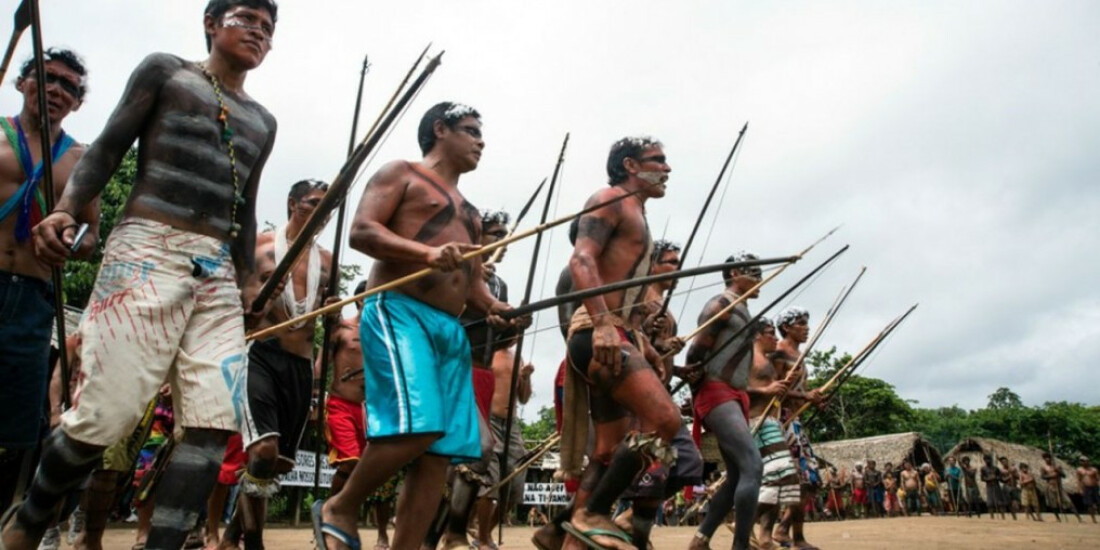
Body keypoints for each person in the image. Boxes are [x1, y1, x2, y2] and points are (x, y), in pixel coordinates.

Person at [4, 2, 279, 548]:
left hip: (218, 272)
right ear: (211, 23)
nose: (258, 31)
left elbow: (244, 209)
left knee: (212, 422)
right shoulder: (166, 71)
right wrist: (64, 210)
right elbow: (106, 148)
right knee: (104, 420)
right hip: (146, 248)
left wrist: (248, 280)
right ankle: (30, 520)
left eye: (268, 28)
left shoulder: (263, 121)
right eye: (246, 17)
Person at [315, 101, 522, 550]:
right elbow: (362, 232)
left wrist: (493, 307)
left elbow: (469, 280)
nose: (480, 141)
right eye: (470, 130)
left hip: (450, 331)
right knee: (421, 425)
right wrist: (425, 254)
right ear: (440, 129)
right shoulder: (402, 173)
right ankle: (341, 506)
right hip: (401, 311)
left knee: (439, 452)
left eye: (480, 133)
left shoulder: (469, 211)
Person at [557, 136, 684, 550]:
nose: (667, 168)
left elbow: (625, 294)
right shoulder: (610, 198)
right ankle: (593, 513)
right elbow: (581, 260)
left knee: (609, 450)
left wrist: (641, 341)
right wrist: (604, 324)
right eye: (657, 160)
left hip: (616, 332)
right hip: (597, 334)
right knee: (665, 421)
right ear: (630, 164)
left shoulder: (639, 215)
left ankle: (562, 531)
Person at [0, 47, 94, 510]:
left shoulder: (80, 160)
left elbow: (92, 233)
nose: (57, 90)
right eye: (47, 77)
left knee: (16, 426)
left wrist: (69, 242)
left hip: (35, 298)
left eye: (70, 87)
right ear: (23, 82)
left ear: (78, 102)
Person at [222, 178, 335, 549]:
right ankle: (254, 541)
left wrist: (319, 382)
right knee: (264, 450)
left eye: (327, 207)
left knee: (279, 463)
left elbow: (325, 325)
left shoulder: (327, 262)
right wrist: (265, 294)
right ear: (292, 203)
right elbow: (242, 310)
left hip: (301, 366)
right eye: (313, 204)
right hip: (261, 356)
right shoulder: (261, 248)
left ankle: (229, 538)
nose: (320, 213)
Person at [434, 209, 524, 550]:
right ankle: (454, 533)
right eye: (494, 234)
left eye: (504, 235)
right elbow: (441, 313)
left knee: (461, 458)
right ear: (476, 236)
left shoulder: (499, 283)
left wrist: (514, 326)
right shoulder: (454, 266)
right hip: (454, 367)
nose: (501, 241)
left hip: (483, 373)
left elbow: (497, 340)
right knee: (478, 450)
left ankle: (440, 535)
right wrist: (469, 281)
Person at [612, 239, 701, 550]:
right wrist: (652, 335)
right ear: (651, 264)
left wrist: (677, 369)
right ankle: (634, 534)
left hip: (661, 399)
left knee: (687, 464)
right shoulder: (638, 301)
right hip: (642, 401)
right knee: (653, 469)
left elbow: (657, 357)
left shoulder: (661, 305)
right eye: (670, 262)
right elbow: (629, 344)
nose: (676, 268)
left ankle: (627, 525)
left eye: (678, 262)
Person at [685, 252, 766, 550]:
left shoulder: (741, 309)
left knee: (735, 477)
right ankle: (741, 546)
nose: (760, 279)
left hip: (734, 395)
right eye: (753, 273)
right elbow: (695, 354)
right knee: (752, 466)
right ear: (734, 274)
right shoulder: (720, 304)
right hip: (717, 392)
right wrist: (696, 388)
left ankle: (701, 539)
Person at [323, 281, 401, 550]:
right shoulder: (341, 329)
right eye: (372, 298)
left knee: (382, 473)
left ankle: (380, 534)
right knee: (349, 463)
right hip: (341, 404)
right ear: (359, 301)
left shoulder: (387, 334)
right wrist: (312, 395)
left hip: (374, 409)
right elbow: (322, 365)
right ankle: (331, 518)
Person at [747, 319, 797, 547]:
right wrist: (766, 389)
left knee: (782, 483)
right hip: (757, 421)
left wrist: (783, 387)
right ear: (757, 335)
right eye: (770, 334)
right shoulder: (747, 358)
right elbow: (733, 387)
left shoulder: (766, 362)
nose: (776, 339)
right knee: (782, 475)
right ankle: (745, 525)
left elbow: (775, 394)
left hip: (773, 421)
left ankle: (766, 536)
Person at [1039, 451, 1079, 522]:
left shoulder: (1057, 467)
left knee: (1069, 502)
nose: (1047, 459)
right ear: (1044, 459)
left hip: (1059, 487)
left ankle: (1079, 518)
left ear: (1051, 458)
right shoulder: (1043, 468)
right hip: (1050, 486)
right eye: (1046, 458)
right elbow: (1042, 476)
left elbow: (1064, 475)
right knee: (1053, 504)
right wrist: (1051, 475)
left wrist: (1058, 471)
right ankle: (1058, 518)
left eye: (1048, 457)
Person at [980, 454, 1007, 519]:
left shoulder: (996, 468)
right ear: (984, 460)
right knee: (990, 502)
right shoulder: (983, 469)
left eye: (989, 459)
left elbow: (1000, 477)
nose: (987, 461)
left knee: (1000, 502)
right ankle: (992, 517)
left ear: (991, 460)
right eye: (986, 460)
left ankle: (1003, 516)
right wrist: (989, 479)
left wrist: (996, 477)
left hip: (996, 485)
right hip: (989, 486)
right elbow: (982, 478)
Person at [1076, 456, 1099, 523]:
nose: (1083, 462)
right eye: (1081, 461)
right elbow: (1078, 480)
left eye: (1084, 461)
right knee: (1089, 504)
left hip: (1095, 487)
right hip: (1086, 488)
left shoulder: (1094, 470)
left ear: (1088, 461)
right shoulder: (1079, 470)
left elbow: (1098, 479)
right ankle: (1093, 519)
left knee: (1098, 503)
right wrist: (1080, 489)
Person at [997, 456, 1020, 520]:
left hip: (1014, 486)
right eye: (1002, 462)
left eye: (1005, 461)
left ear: (1007, 461)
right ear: (1001, 463)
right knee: (1007, 502)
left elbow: (1018, 477)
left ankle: (1015, 515)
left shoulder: (1013, 469)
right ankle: (1007, 516)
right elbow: (1001, 480)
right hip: (1007, 487)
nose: (1004, 463)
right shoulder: (1001, 471)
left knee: (1015, 501)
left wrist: (1013, 474)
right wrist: (1009, 477)